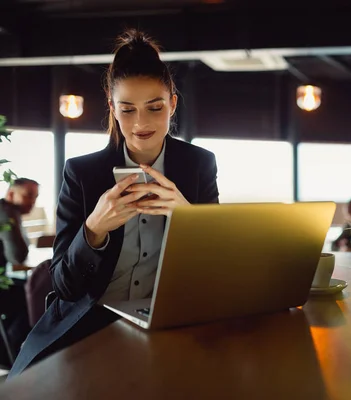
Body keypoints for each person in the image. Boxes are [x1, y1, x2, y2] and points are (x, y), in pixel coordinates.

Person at [8, 29, 219, 377]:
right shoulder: (82, 173)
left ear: (173, 103)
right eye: (127, 109)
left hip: (169, 320)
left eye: (155, 107)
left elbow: (216, 268)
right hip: (90, 320)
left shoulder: (198, 164)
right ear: (112, 108)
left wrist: (188, 218)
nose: (140, 123)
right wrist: (94, 229)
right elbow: (63, 285)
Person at [0, 178, 39, 366]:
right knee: (35, 297)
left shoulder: (9, 211)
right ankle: (12, 358)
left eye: (35, 197)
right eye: (28, 196)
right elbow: (18, 255)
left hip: (6, 280)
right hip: (2, 285)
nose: (32, 202)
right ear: (10, 194)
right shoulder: (6, 212)